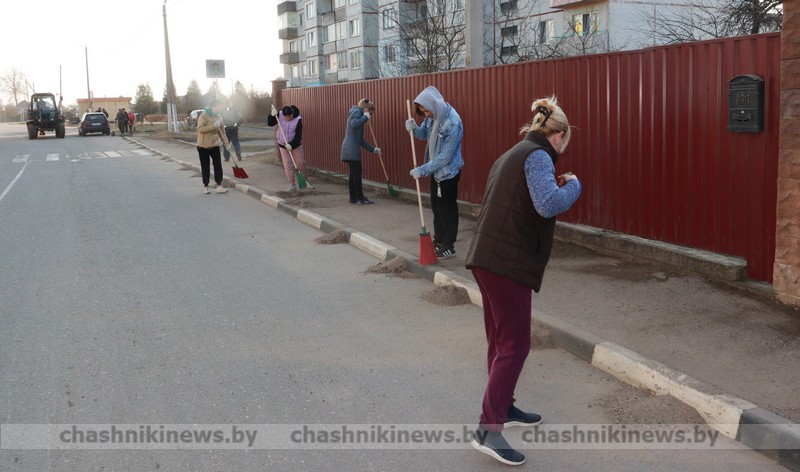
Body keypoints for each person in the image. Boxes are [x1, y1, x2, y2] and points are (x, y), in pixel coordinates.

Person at [464, 96, 582, 466]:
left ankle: (505, 407)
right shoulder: (539, 156)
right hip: (506, 262)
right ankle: (488, 429)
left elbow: (524, 199)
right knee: (515, 345)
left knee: (500, 341)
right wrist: (574, 186)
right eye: (565, 141)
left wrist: (553, 183)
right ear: (559, 135)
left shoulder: (514, 153)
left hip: (487, 256)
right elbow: (547, 203)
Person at [405, 86, 464, 258]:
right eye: (422, 112)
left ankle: (448, 245)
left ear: (433, 104)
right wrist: (414, 128)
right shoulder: (432, 116)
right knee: (436, 207)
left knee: (447, 208)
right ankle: (439, 240)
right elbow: (424, 134)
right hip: (434, 171)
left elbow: (445, 157)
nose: (426, 114)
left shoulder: (453, 122)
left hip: (448, 173)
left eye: (426, 110)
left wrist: (422, 170)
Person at [341, 98, 381, 204]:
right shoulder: (356, 113)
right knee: (357, 174)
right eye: (370, 114)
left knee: (353, 174)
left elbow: (361, 140)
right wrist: (365, 117)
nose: (370, 117)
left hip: (348, 149)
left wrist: (373, 149)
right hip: (351, 150)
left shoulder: (358, 114)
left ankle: (353, 198)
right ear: (366, 109)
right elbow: (354, 124)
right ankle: (360, 198)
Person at [268, 104, 314, 192]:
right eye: (286, 117)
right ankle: (291, 184)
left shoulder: (298, 120)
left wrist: (291, 145)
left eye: (290, 116)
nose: (288, 118)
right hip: (282, 144)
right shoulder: (279, 115)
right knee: (287, 164)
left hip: (295, 145)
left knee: (300, 162)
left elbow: (298, 136)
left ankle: (305, 181)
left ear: (293, 113)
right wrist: (272, 115)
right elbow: (270, 123)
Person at [196, 98, 230, 195]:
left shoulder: (219, 116)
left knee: (218, 165)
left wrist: (226, 144)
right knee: (205, 166)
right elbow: (200, 129)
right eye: (218, 108)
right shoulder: (204, 116)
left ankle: (219, 185)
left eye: (221, 109)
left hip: (215, 145)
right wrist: (213, 126)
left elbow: (222, 132)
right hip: (203, 146)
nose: (220, 110)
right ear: (213, 107)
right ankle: (206, 186)